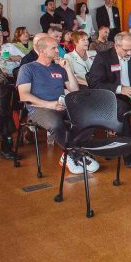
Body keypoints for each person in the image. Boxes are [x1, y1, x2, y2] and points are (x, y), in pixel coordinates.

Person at [16, 35, 96, 174]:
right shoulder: (28, 68)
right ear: (42, 51)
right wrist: (49, 105)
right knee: (55, 124)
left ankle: (68, 153)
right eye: (53, 48)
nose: (58, 51)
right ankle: (75, 154)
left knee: (90, 117)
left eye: (57, 47)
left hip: (62, 104)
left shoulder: (58, 68)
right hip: (39, 108)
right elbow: (23, 95)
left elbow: (74, 89)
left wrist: (68, 69)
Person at [87, 32, 131, 168]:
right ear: (116, 46)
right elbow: (95, 84)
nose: (129, 53)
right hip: (110, 96)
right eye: (126, 50)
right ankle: (127, 153)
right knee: (122, 109)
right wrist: (120, 89)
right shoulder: (103, 57)